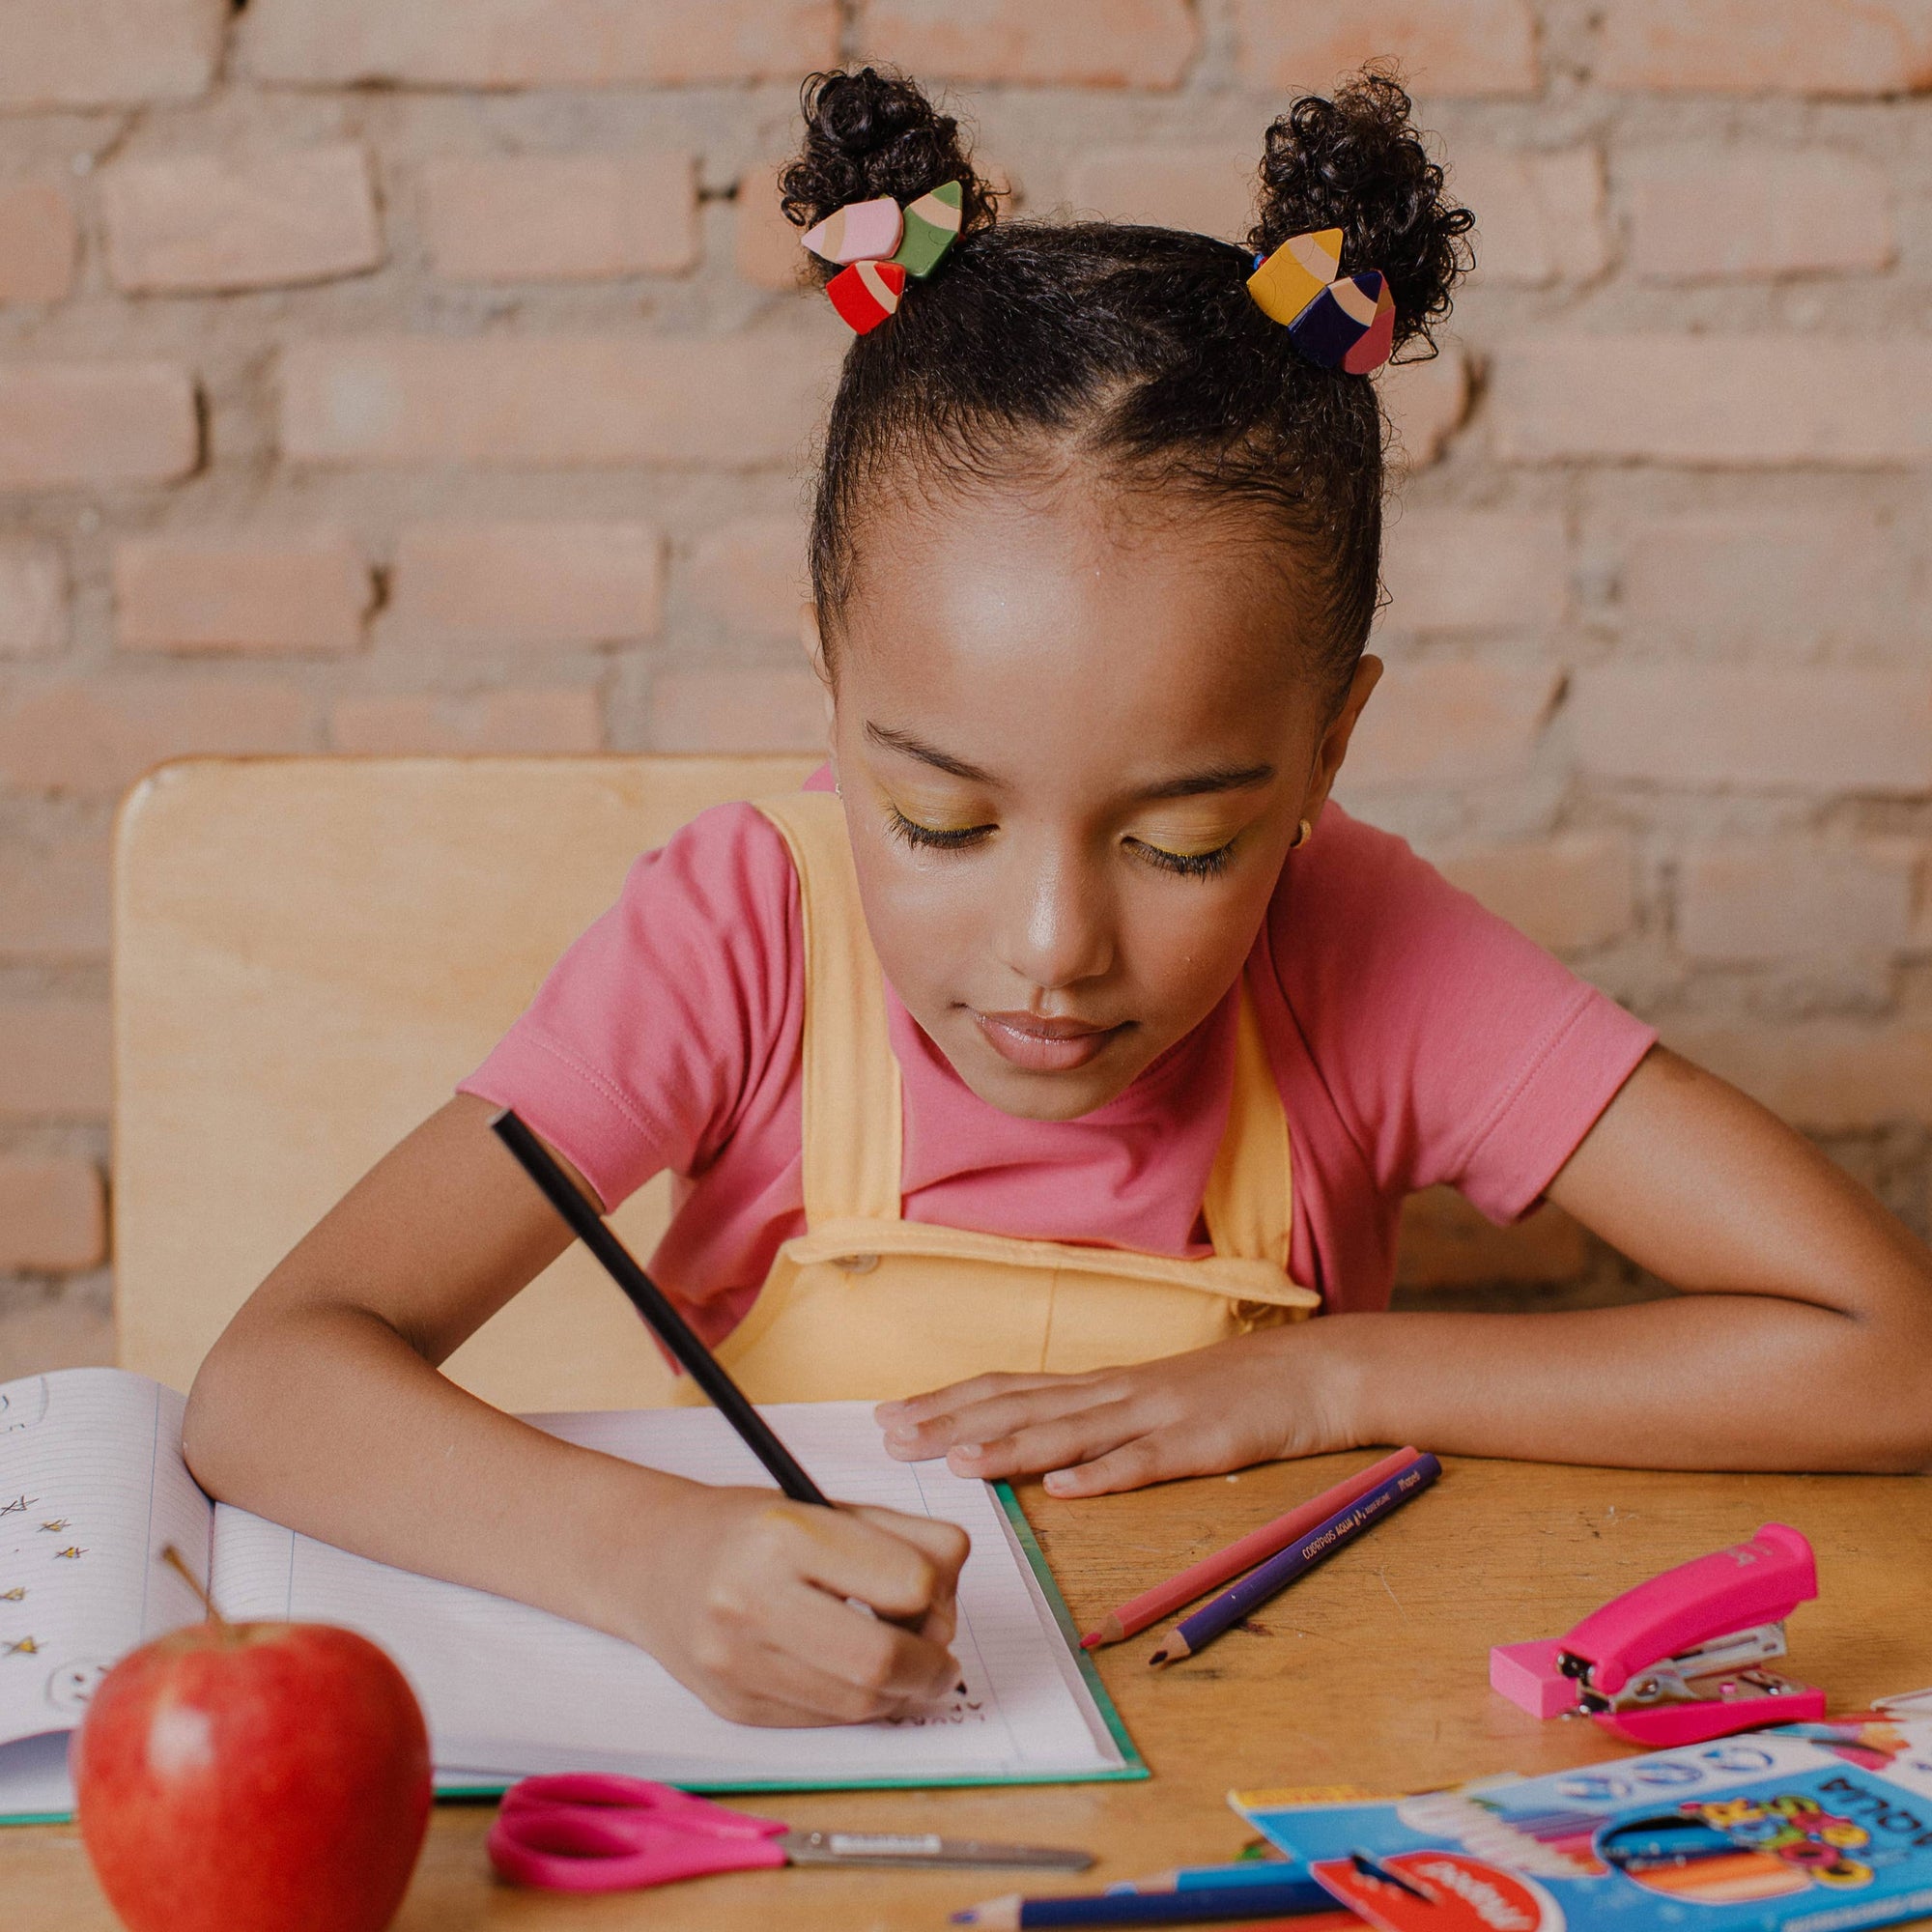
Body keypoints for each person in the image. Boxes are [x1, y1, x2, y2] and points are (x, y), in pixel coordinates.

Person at [183, 67, 1932, 1730]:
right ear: (833, 693)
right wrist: (646, 1558)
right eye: (938, 819)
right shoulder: (742, 933)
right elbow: (270, 1387)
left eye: (1182, 849)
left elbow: (1888, 1353)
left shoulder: (1360, 951)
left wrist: (1332, 1380)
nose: (1052, 952)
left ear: (1329, 749)